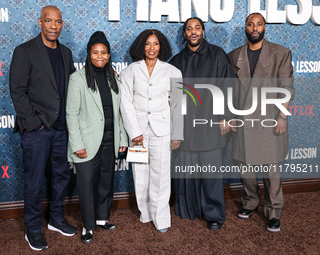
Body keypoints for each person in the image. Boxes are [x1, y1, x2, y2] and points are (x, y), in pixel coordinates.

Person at [9, 5, 77, 251]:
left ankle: (56, 219)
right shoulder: (25, 51)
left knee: (61, 177)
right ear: (40, 22)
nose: (53, 26)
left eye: (58, 22)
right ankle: (33, 229)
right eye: (48, 21)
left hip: (62, 129)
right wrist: (33, 123)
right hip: (38, 130)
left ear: (62, 24)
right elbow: (17, 89)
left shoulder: (66, 53)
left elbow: (73, 86)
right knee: (35, 181)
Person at [228, 13, 294, 232]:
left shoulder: (280, 53)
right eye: (250, 24)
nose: (254, 28)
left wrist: (282, 116)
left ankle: (274, 212)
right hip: (243, 121)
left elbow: (286, 88)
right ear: (245, 28)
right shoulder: (234, 55)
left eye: (259, 24)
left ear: (265, 27)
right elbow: (229, 91)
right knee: (245, 169)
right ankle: (250, 202)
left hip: (270, 121)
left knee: (271, 172)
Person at [170, 17, 235, 230]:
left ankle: (214, 215)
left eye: (197, 28)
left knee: (211, 175)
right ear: (185, 34)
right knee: (187, 172)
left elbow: (229, 86)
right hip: (187, 128)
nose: (193, 32)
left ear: (203, 32)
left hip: (211, 125)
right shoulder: (177, 61)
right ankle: (188, 210)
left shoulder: (218, 55)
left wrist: (225, 116)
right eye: (189, 29)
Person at [66, 31, 128, 244]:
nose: (99, 56)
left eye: (103, 52)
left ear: (109, 56)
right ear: (89, 54)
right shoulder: (77, 79)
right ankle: (88, 226)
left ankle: (102, 218)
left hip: (110, 140)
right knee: (86, 185)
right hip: (87, 142)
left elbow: (119, 113)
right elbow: (71, 114)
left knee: (105, 181)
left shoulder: (114, 78)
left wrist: (122, 140)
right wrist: (77, 144)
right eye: (95, 52)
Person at [120, 29, 183, 233]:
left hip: (162, 129)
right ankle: (145, 212)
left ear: (161, 46)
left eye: (156, 44)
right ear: (141, 46)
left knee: (161, 174)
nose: (152, 48)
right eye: (147, 44)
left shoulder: (173, 71)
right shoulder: (129, 71)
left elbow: (178, 105)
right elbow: (125, 102)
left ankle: (161, 217)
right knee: (140, 173)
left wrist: (177, 133)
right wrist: (134, 131)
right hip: (138, 131)